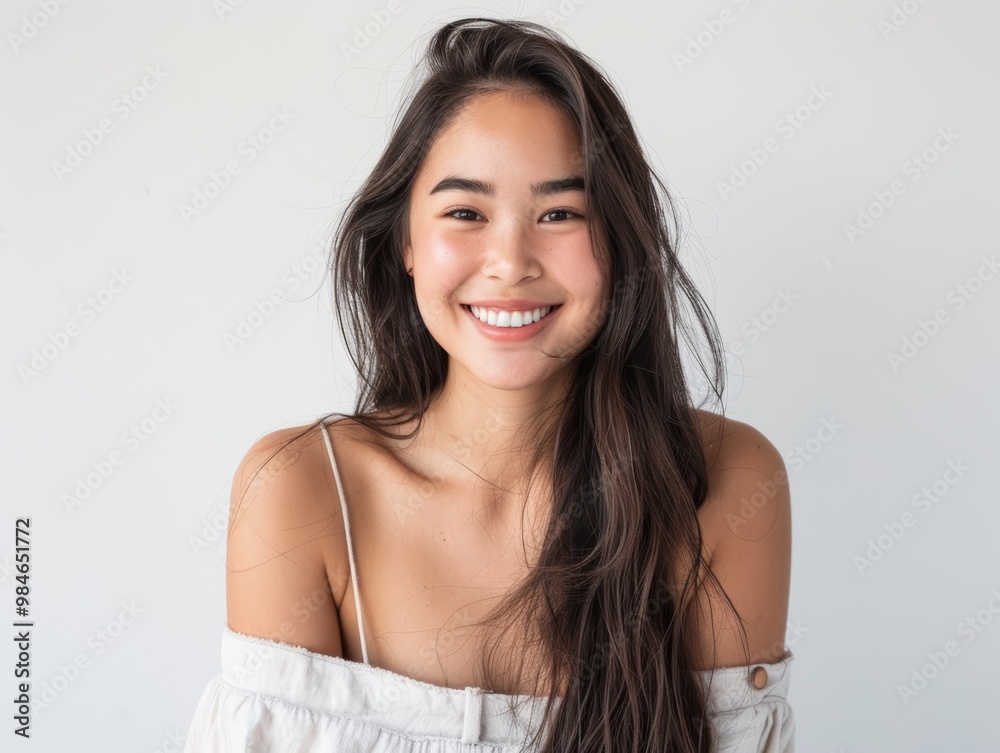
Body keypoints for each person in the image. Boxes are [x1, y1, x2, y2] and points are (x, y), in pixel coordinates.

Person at [183, 16, 794, 753]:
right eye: (465, 212)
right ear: (406, 241)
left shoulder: (726, 483)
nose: (510, 261)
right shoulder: (302, 491)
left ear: (621, 243)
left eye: (560, 212)